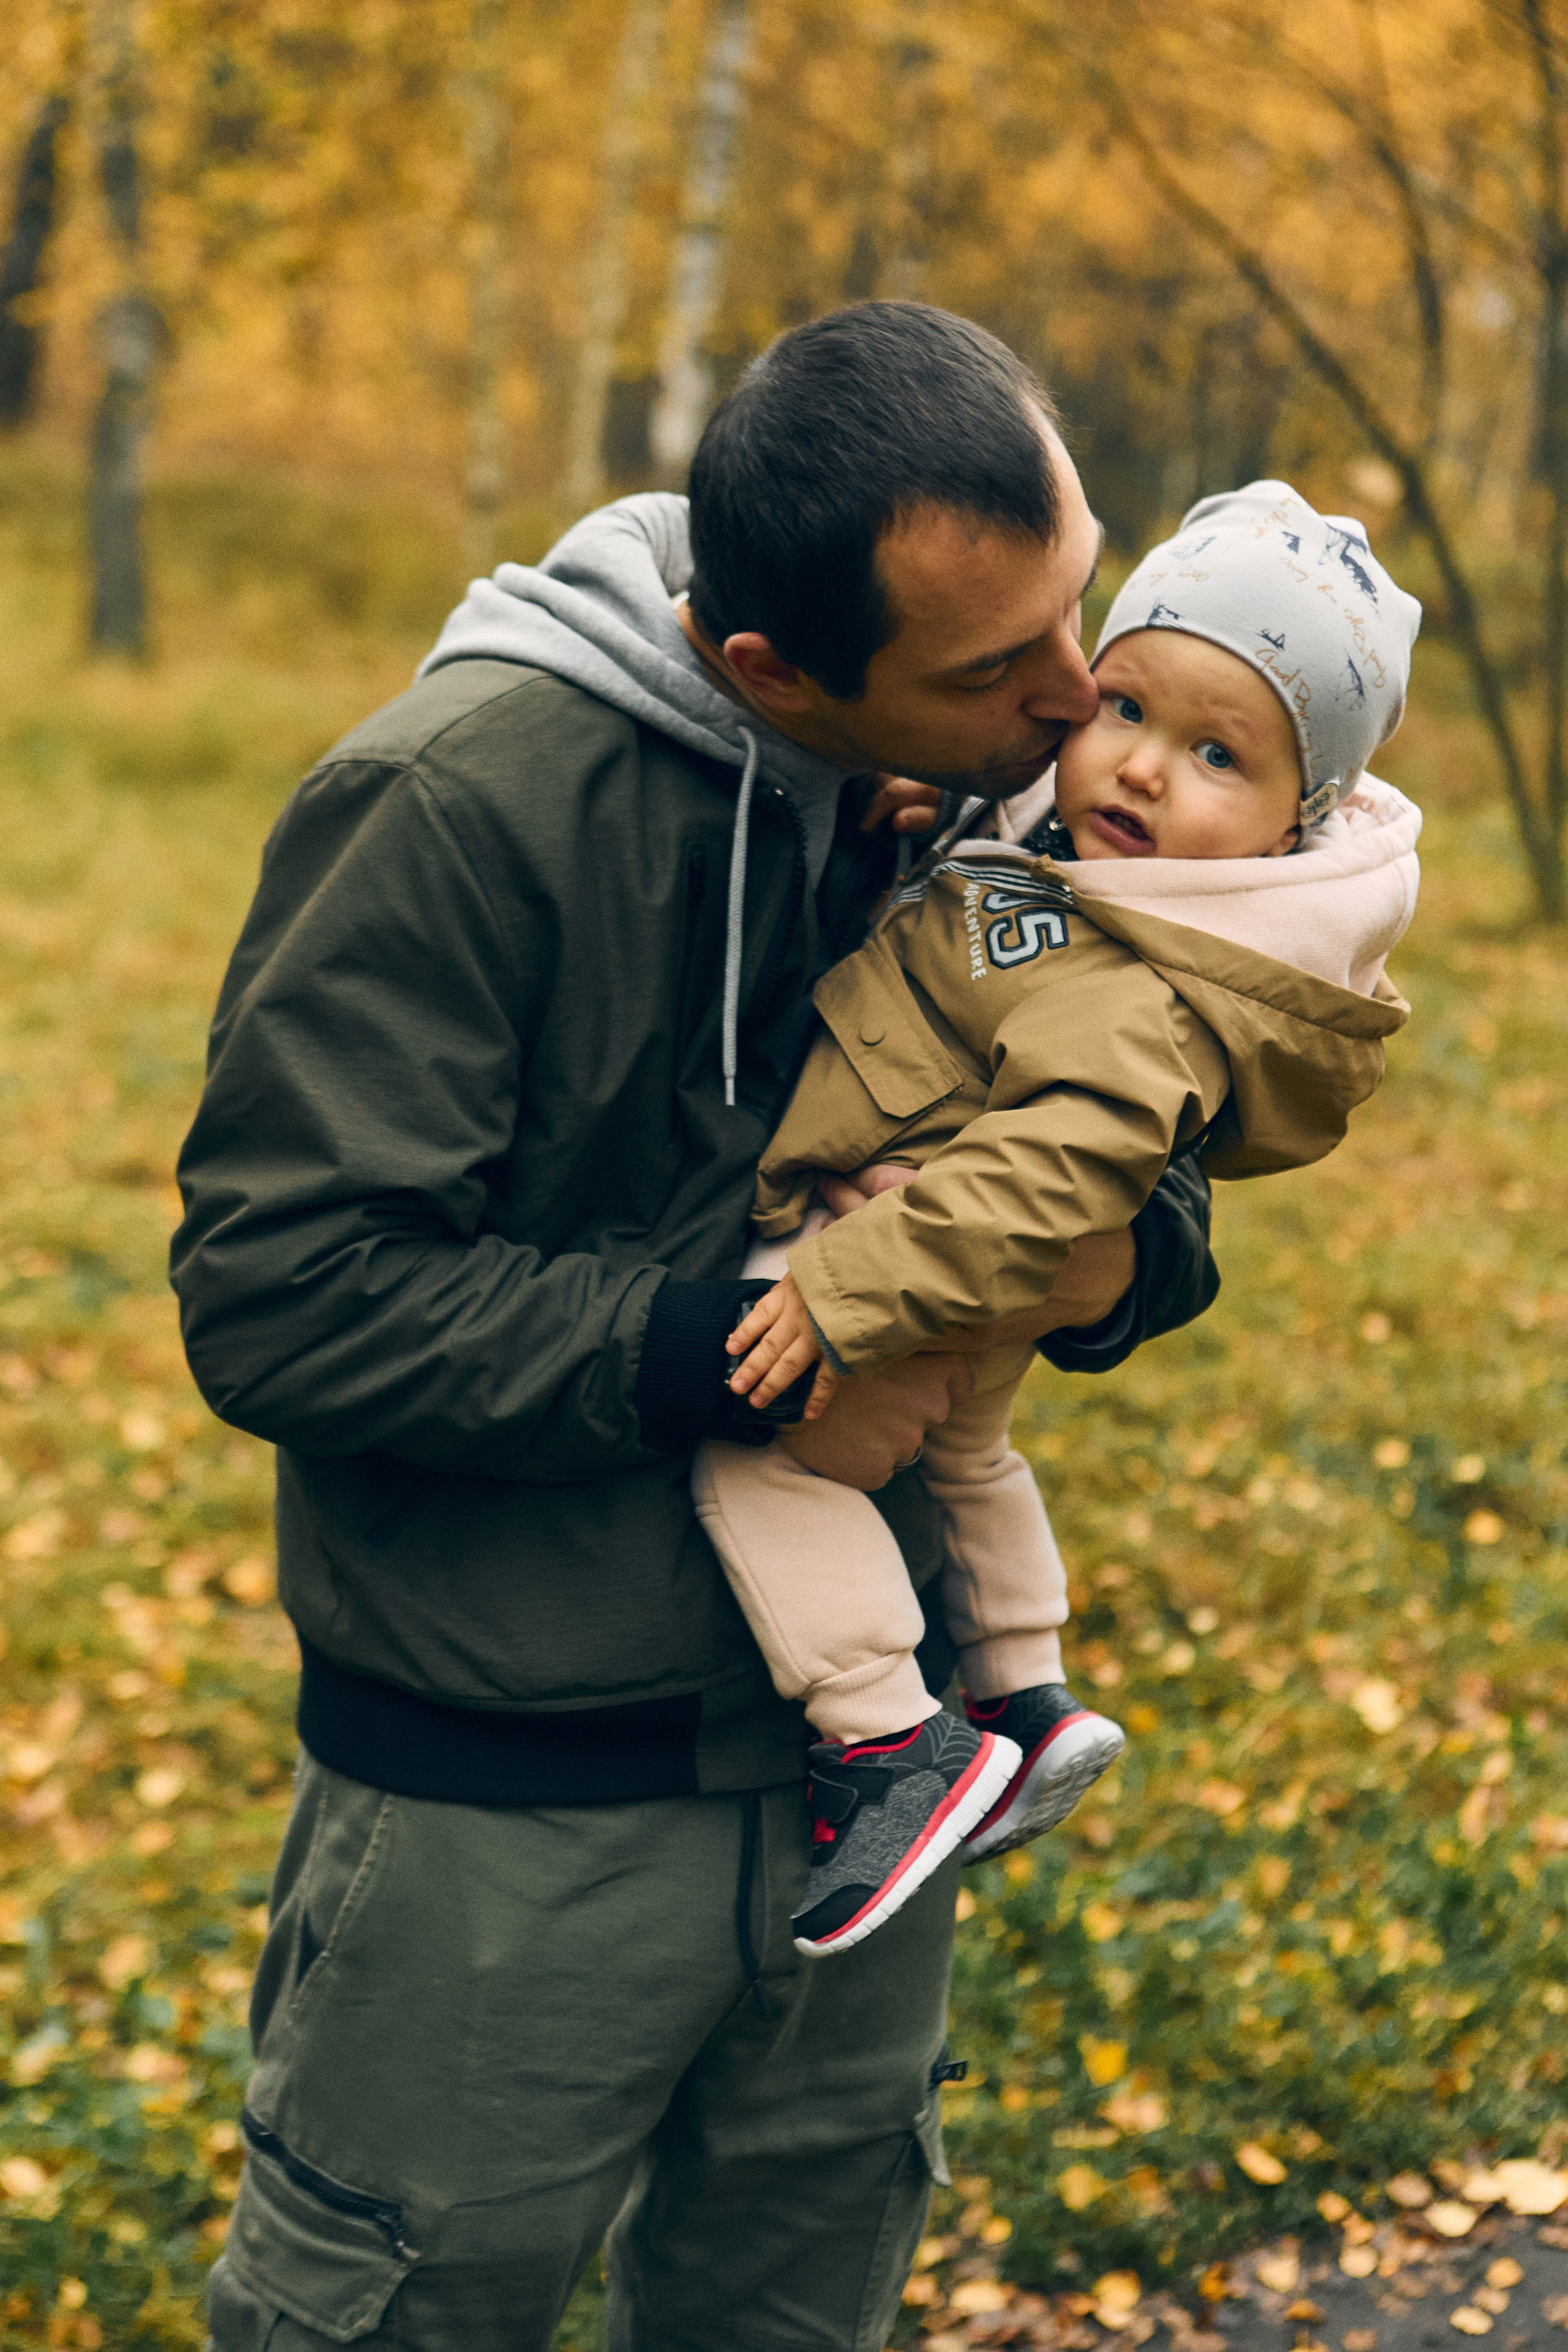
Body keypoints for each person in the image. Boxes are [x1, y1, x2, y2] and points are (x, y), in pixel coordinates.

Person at [172, 303, 1221, 2352]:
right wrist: (724, 1336)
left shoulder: (1003, 804)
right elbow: (283, 1292)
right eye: (995, 666)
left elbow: (1121, 1113)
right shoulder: (456, 804)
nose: (1078, 699)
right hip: (510, 1816)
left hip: (878, 1797)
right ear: (776, 672)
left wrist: (1126, 1265)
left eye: (1078, 610)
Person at [696, 478, 1424, 1961]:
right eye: (1126, 710)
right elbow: (978, 934)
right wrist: (914, 838)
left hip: (901, 1254)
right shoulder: (1093, 869)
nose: (1142, 770)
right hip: (957, 1264)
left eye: (1215, 754)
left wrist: (849, 1290)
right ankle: (1022, 1695)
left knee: (759, 1463)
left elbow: (1056, 1176)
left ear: (1297, 820)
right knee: (969, 1451)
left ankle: (885, 1743)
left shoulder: (1153, 979)